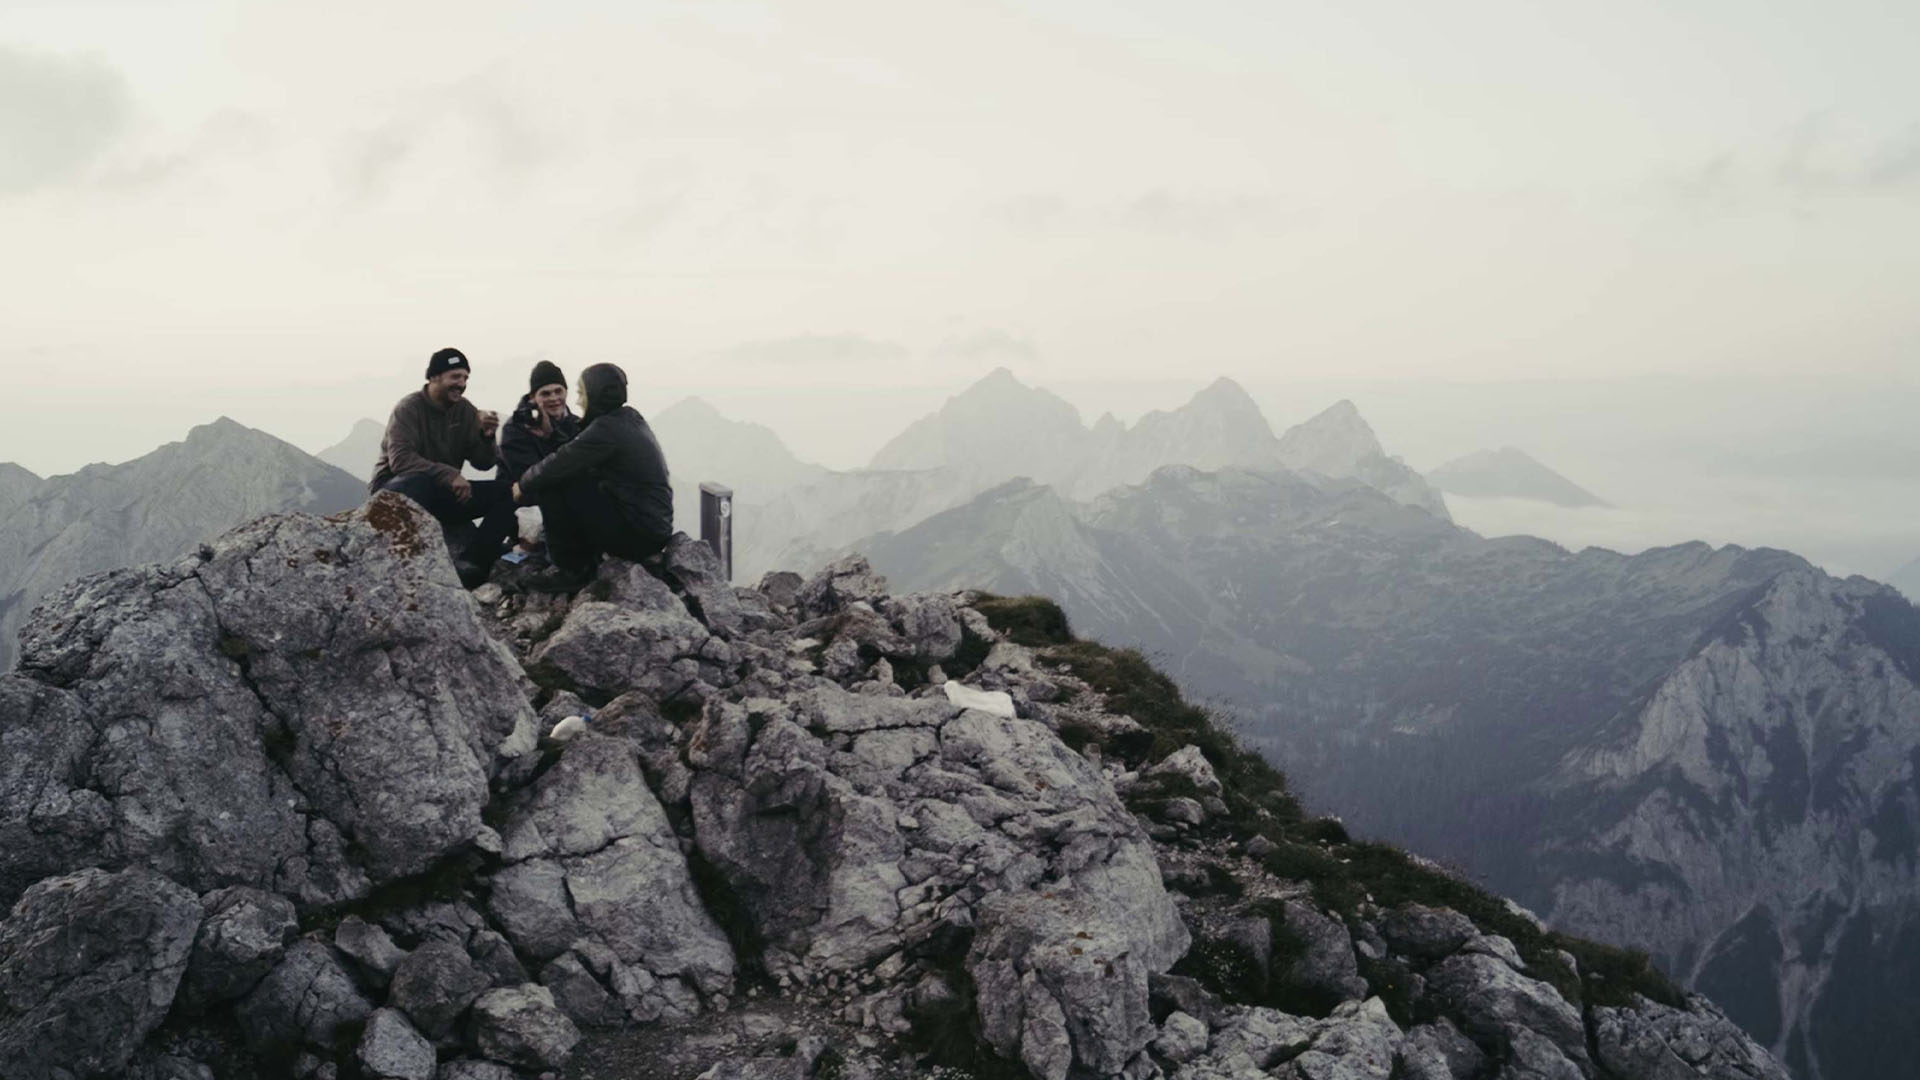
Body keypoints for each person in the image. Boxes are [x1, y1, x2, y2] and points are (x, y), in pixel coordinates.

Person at [513, 362, 672, 592]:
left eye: (581, 393)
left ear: (597, 394)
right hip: (650, 528)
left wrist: (523, 484)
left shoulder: (607, 428)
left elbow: (560, 463)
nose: (578, 401)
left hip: (639, 536)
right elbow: (577, 450)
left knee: (552, 483)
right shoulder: (627, 417)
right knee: (576, 478)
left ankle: (571, 571)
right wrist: (552, 435)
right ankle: (585, 560)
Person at [369, 346, 518, 588]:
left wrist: (487, 437)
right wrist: (448, 473)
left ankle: (474, 563)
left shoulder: (466, 410)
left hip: (442, 494)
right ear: (434, 377)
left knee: (509, 492)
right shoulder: (409, 408)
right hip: (396, 491)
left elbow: (483, 463)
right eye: (455, 377)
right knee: (419, 481)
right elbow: (401, 460)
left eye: (465, 378)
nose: (461, 383)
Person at [498, 360, 580, 482]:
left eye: (558, 391)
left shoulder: (579, 424)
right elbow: (529, 477)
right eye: (545, 394)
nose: (554, 398)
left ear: (566, 392)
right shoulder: (515, 428)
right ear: (533, 398)